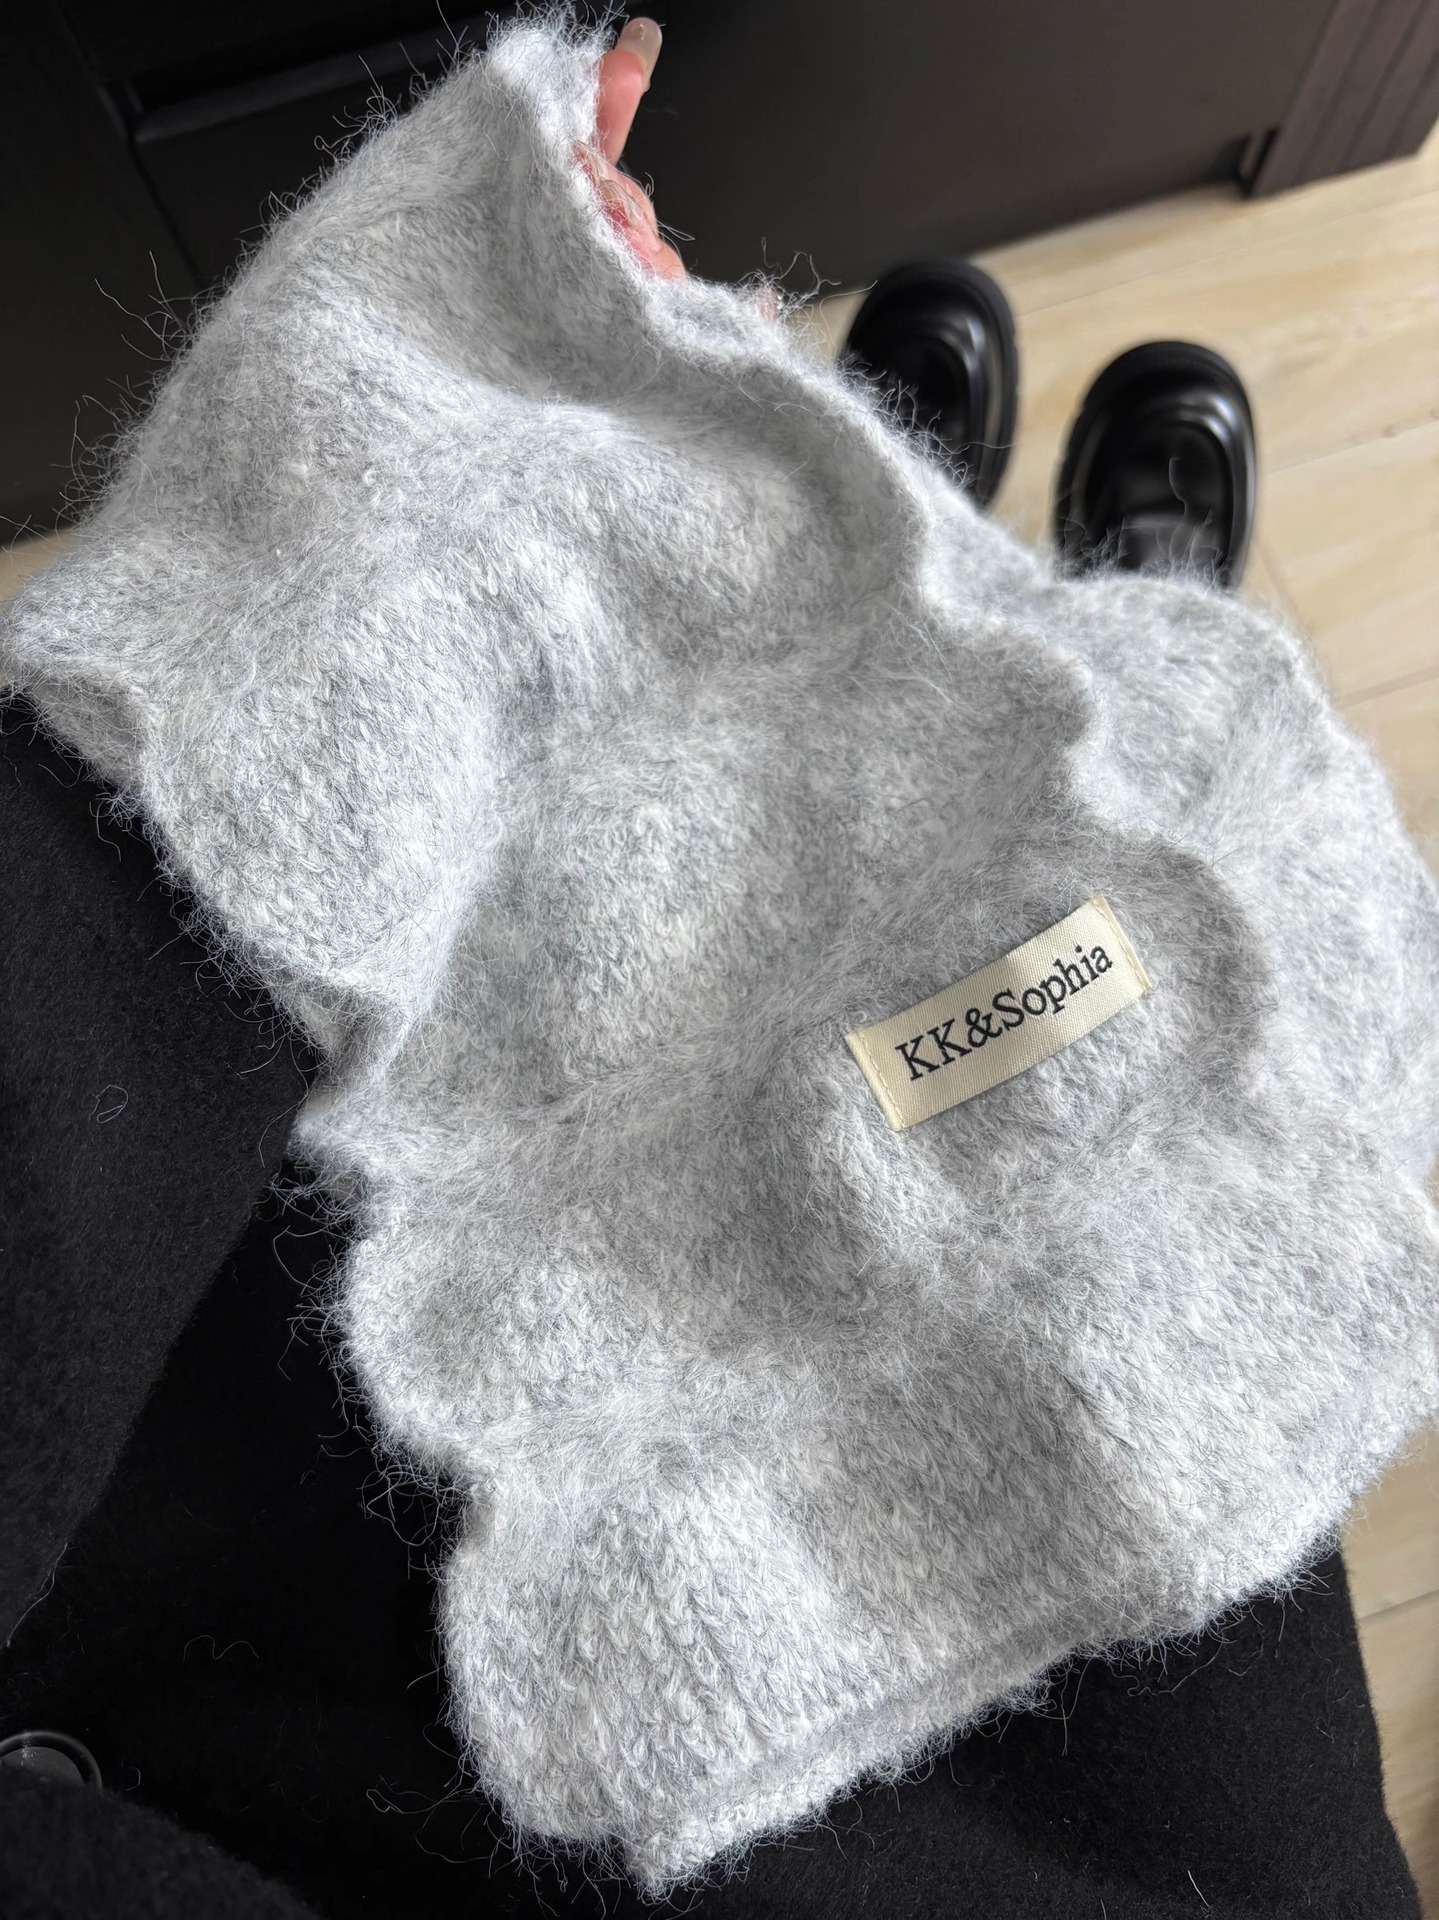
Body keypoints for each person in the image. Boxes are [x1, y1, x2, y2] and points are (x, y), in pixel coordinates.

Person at [0, 20, 1421, 1919]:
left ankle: (905, 571)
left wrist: (209, 746)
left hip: (197, 1300)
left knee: (953, 874)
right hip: (1085, 1767)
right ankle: (976, 589)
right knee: (1087, 998)